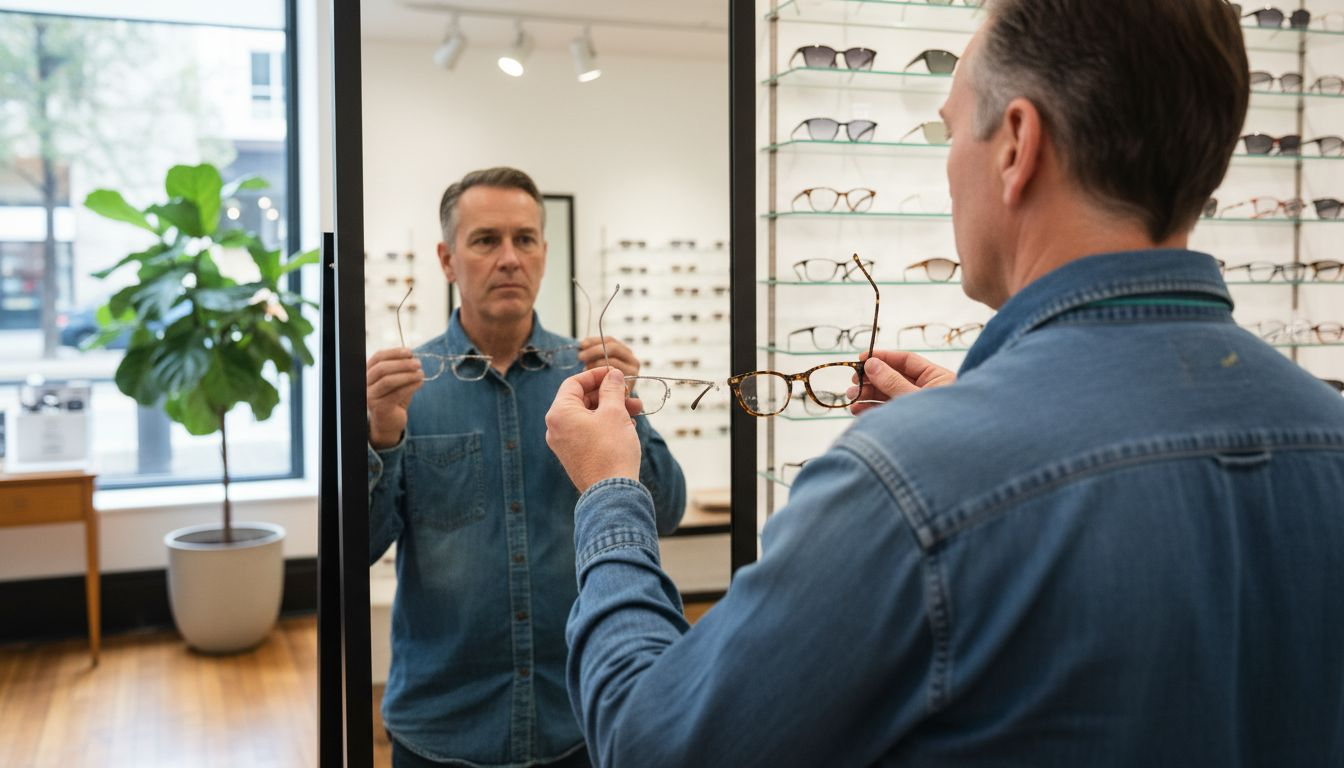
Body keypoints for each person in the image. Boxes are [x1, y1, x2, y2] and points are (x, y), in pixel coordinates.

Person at [543, 2, 1344, 766]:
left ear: (1017, 145)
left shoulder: (911, 483)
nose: (948, 163)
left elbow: (652, 745)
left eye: (949, 129)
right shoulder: (1327, 434)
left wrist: (610, 493)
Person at [366, 167, 686, 768]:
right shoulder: (407, 391)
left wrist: (629, 412)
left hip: (578, 716)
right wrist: (381, 436)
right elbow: (356, 546)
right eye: (486, 240)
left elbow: (665, 513)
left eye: (526, 239)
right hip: (443, 727)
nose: (509, 258)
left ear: (544, 252)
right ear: (447, 259)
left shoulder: (590, 383)